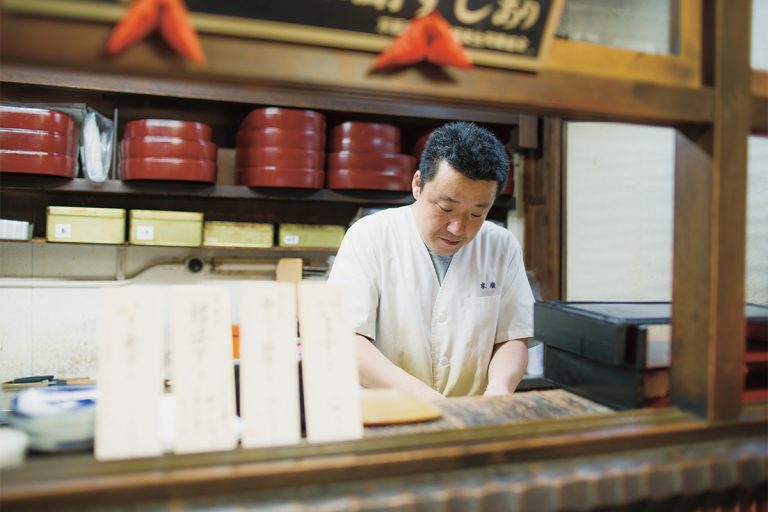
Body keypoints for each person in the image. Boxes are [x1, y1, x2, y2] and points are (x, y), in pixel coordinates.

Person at [328, 121, 534, 400]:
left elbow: (513, 335)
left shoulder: (501, 245)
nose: (457, 228)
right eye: (445, 208)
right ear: (417, 184)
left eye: (477, 214)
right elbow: (347, 340)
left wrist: (499, 388)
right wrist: (424, 397)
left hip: (470, 416)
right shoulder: (370, 236)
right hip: (388, 416)